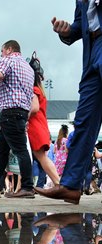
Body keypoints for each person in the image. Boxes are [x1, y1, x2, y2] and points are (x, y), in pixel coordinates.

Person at [35, 6, 102, 204]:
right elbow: (80, 25)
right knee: (84, 119)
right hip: (92, 49)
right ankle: (71, 185)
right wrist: (67, 30)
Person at [0, 40, 35, 199]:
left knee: (21, 150)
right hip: (21, 112)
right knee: (2, 152)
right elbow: (30, 95)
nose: (1, 54)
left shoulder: (8, 60)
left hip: (10, 112)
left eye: (2, 51)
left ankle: (27, 187)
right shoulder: (28, 68)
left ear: (9, 49)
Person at [26, 54, 60, 188]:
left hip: (35, 128)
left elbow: (34, 108)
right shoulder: (41, 91)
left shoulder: (34, 90)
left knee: (40, 158)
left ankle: (58, 183)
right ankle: (58, 183)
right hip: (41, 126)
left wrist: (24, 117)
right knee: (40, 158)